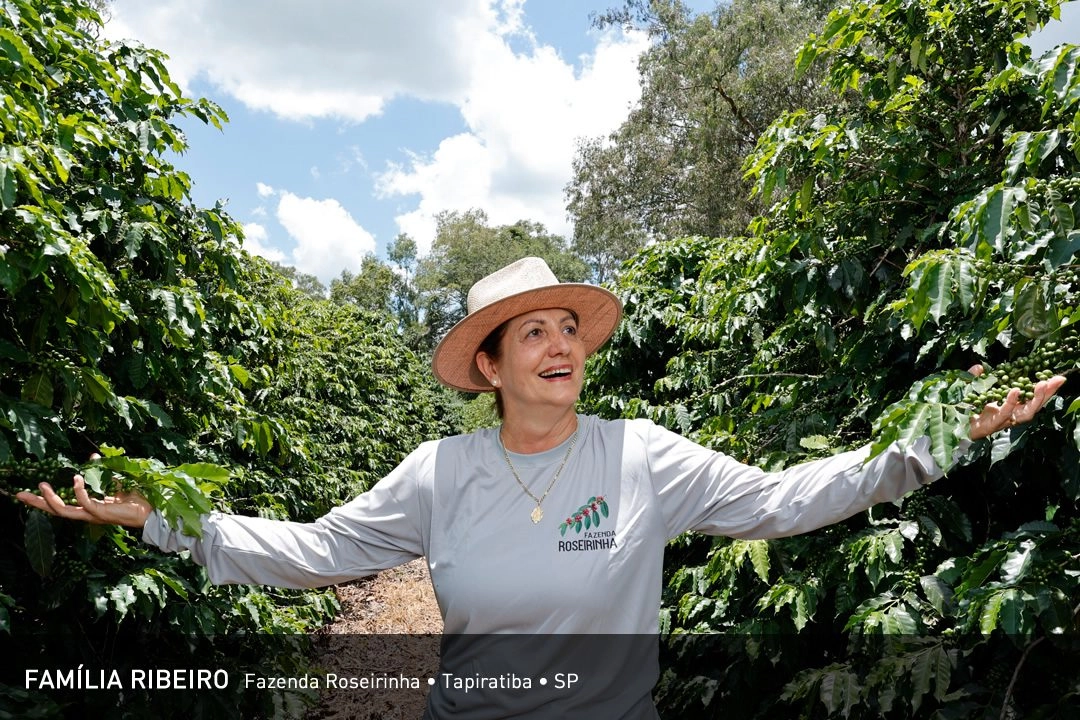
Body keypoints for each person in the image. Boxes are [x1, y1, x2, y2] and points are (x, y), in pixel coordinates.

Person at [16, 257, 1066, 718]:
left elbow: (789, 497)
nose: (561, 343)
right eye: (535, 331)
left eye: (570, 326)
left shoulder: (642, 455)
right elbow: (315, 550)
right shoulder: (441, 472)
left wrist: (937, 438)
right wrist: (162, 518)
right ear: (491, 367)